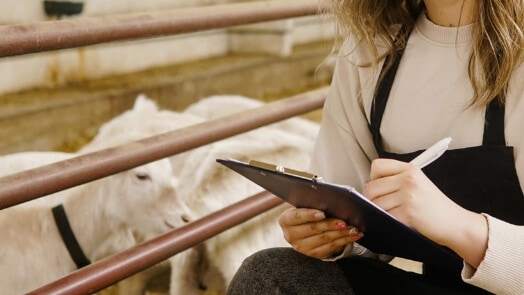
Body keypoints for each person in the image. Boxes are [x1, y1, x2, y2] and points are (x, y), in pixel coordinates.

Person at [226, 0, 524, 294]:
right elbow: (353, 210)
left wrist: (459, 226)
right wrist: (330, 236)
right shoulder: (370, 51)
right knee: (268, 275)